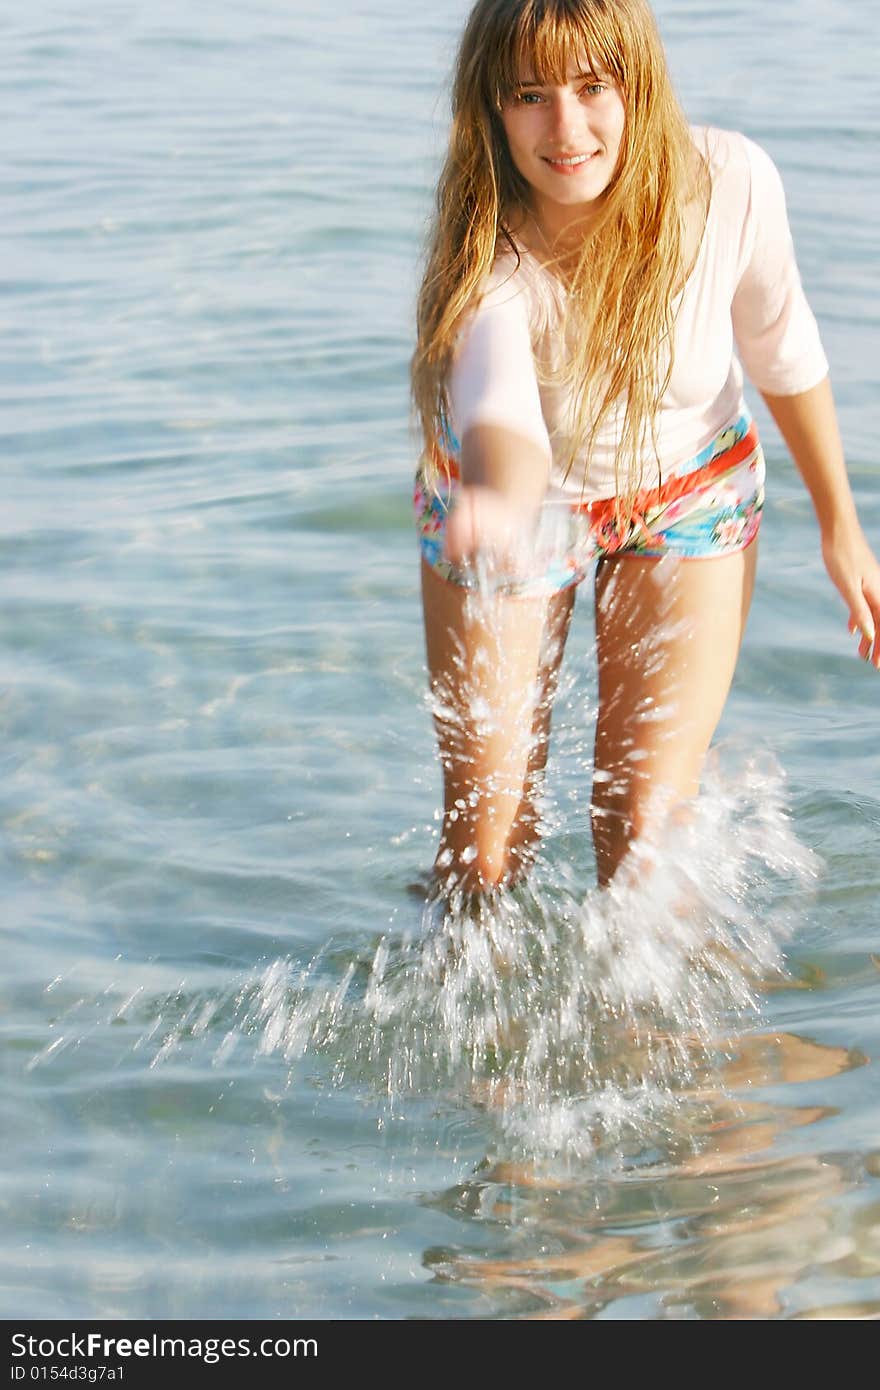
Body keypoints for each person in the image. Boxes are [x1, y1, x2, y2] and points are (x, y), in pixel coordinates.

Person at [410, 0, 880, 899]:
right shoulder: (489, 255)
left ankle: (640, 1034)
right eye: (531, 95)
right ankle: (473, 1012)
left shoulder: (729, 182)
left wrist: (841, 527)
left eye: (594, 87)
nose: (567, 128)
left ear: (641, 85)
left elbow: (783, 349)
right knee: (484, 851)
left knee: (643, 843)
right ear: (491, 107)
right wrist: (500, 502)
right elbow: (502, 414)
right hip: (511, 507)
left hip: (688, 491)